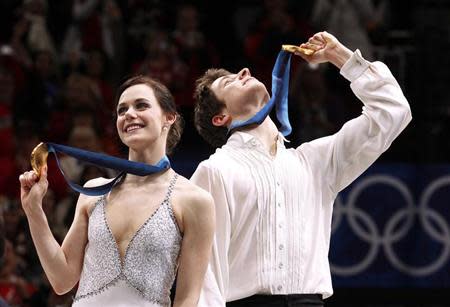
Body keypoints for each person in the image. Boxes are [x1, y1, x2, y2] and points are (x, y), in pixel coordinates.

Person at [191, 31, 412, 306]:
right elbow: (205, 275)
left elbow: (393, 111)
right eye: (229, 81)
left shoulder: (315, 163)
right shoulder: (215, 170)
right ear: (220, 118)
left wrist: (339, 57)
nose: (244, 71)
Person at [18, 75, 215, 307]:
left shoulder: (194, 200)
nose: (129, 114)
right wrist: (33, 211)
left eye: (141, 105)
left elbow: (187, 300)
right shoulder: (94, 192)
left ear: (169, 117)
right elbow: (61, 280)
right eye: (122, 110)